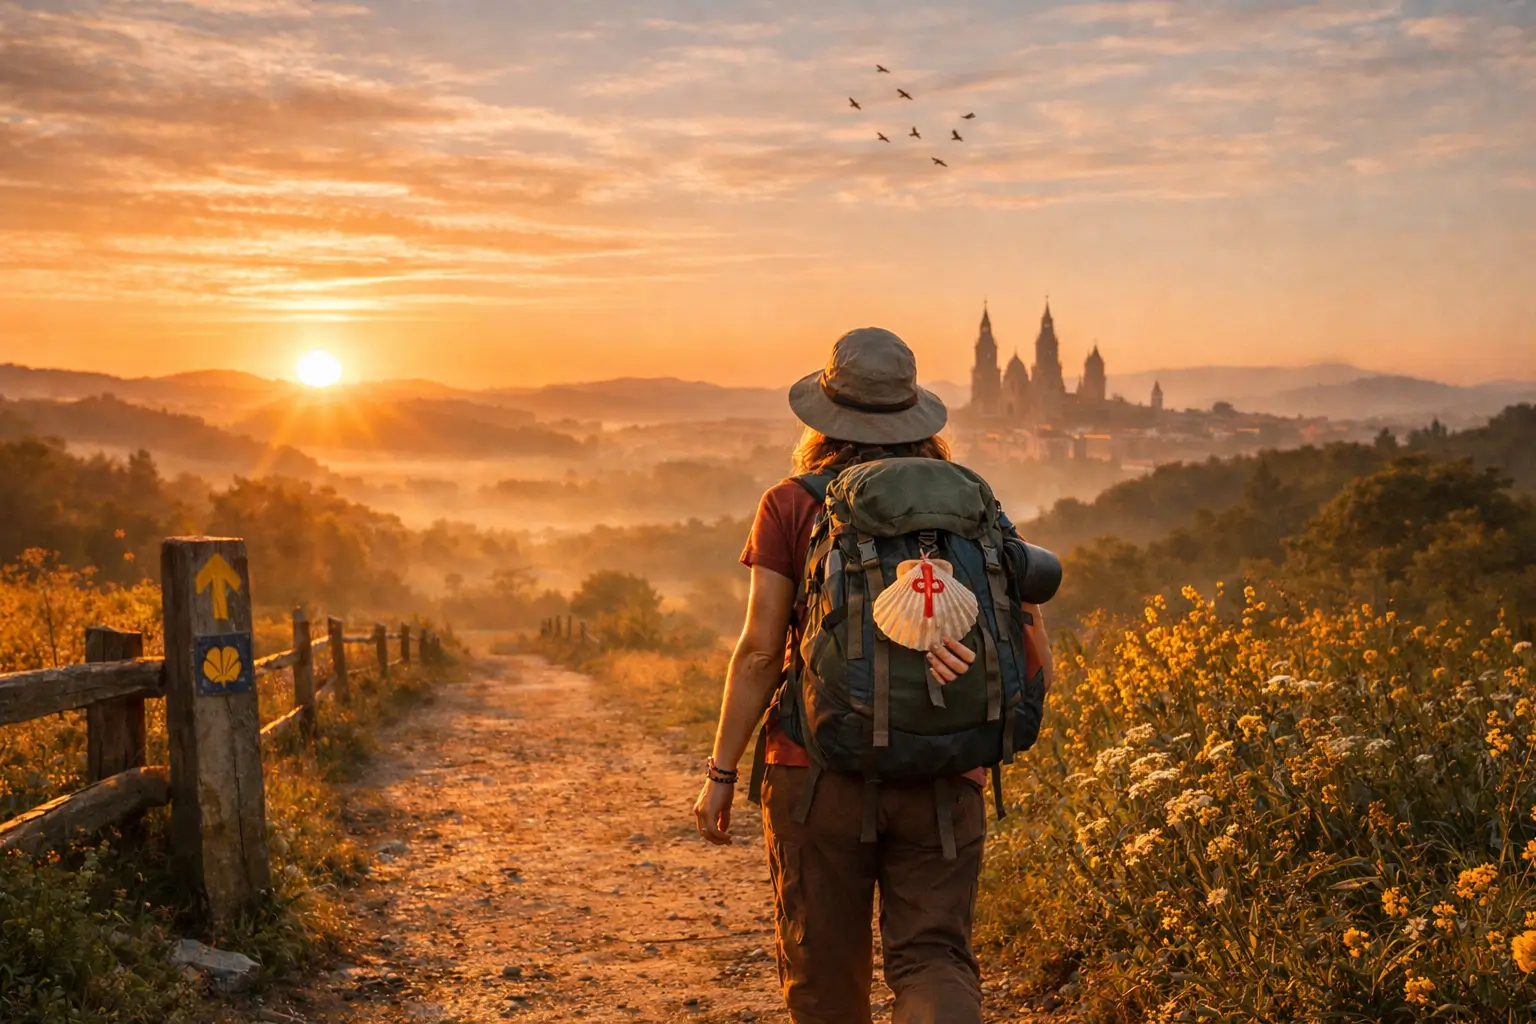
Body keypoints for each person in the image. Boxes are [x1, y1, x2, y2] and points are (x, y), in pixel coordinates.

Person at [693, 326, 1054, 1024]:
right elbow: (1034, 644)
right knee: (934, 960)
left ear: (824, 417)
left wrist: (722, 771)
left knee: (824, 972)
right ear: (915, 413)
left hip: (815, 772)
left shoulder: (792, 503)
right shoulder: (973, 502)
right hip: (944, 774)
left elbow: (762, 651)